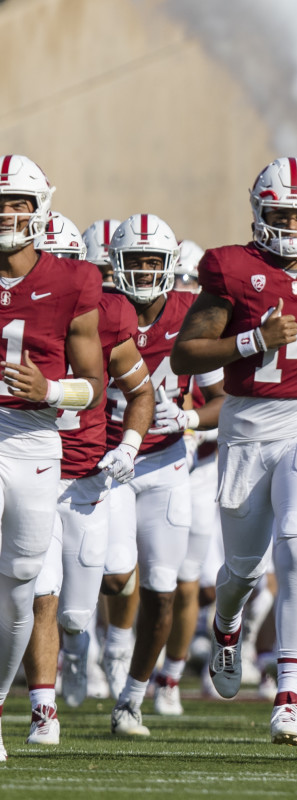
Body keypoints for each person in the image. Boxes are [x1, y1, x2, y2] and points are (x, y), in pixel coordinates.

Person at [171, 156, 297, 746]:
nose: (289, 224)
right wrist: (254, 339)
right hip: (248, 423)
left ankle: (288, 694)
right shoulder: (233, 268)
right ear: (259, 212)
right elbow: (186, 355)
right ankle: (227, 623)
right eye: (279, 213)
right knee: (242, 569)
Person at [21, 216, 154, 747]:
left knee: (78, 614)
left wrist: (128, 445)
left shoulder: (106, 313)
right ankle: (43, 709)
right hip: (31, 470)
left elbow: (140, 392)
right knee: (39, 593)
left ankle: (85, 660)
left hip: (85, 480)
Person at [99, 214, 225, 737]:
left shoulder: (191, 312)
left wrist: (191, 418)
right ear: (115, 265)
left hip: (169, 462)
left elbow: (223, 400)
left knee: (164, 589)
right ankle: (111, 644)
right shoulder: (99, 309)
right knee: (116, 575)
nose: (146, 272)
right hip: (108, 462)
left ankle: (132, 698)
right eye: (136, 261)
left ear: (172, 266)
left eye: (155, 262)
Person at [0, 154, 105, 761]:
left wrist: (49, 390)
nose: (8, 212)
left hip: (36, 437)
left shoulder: (73, 281)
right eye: (1, 200)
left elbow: (93, 383)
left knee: (20, 583)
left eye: (19, 201)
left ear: (40, 209)